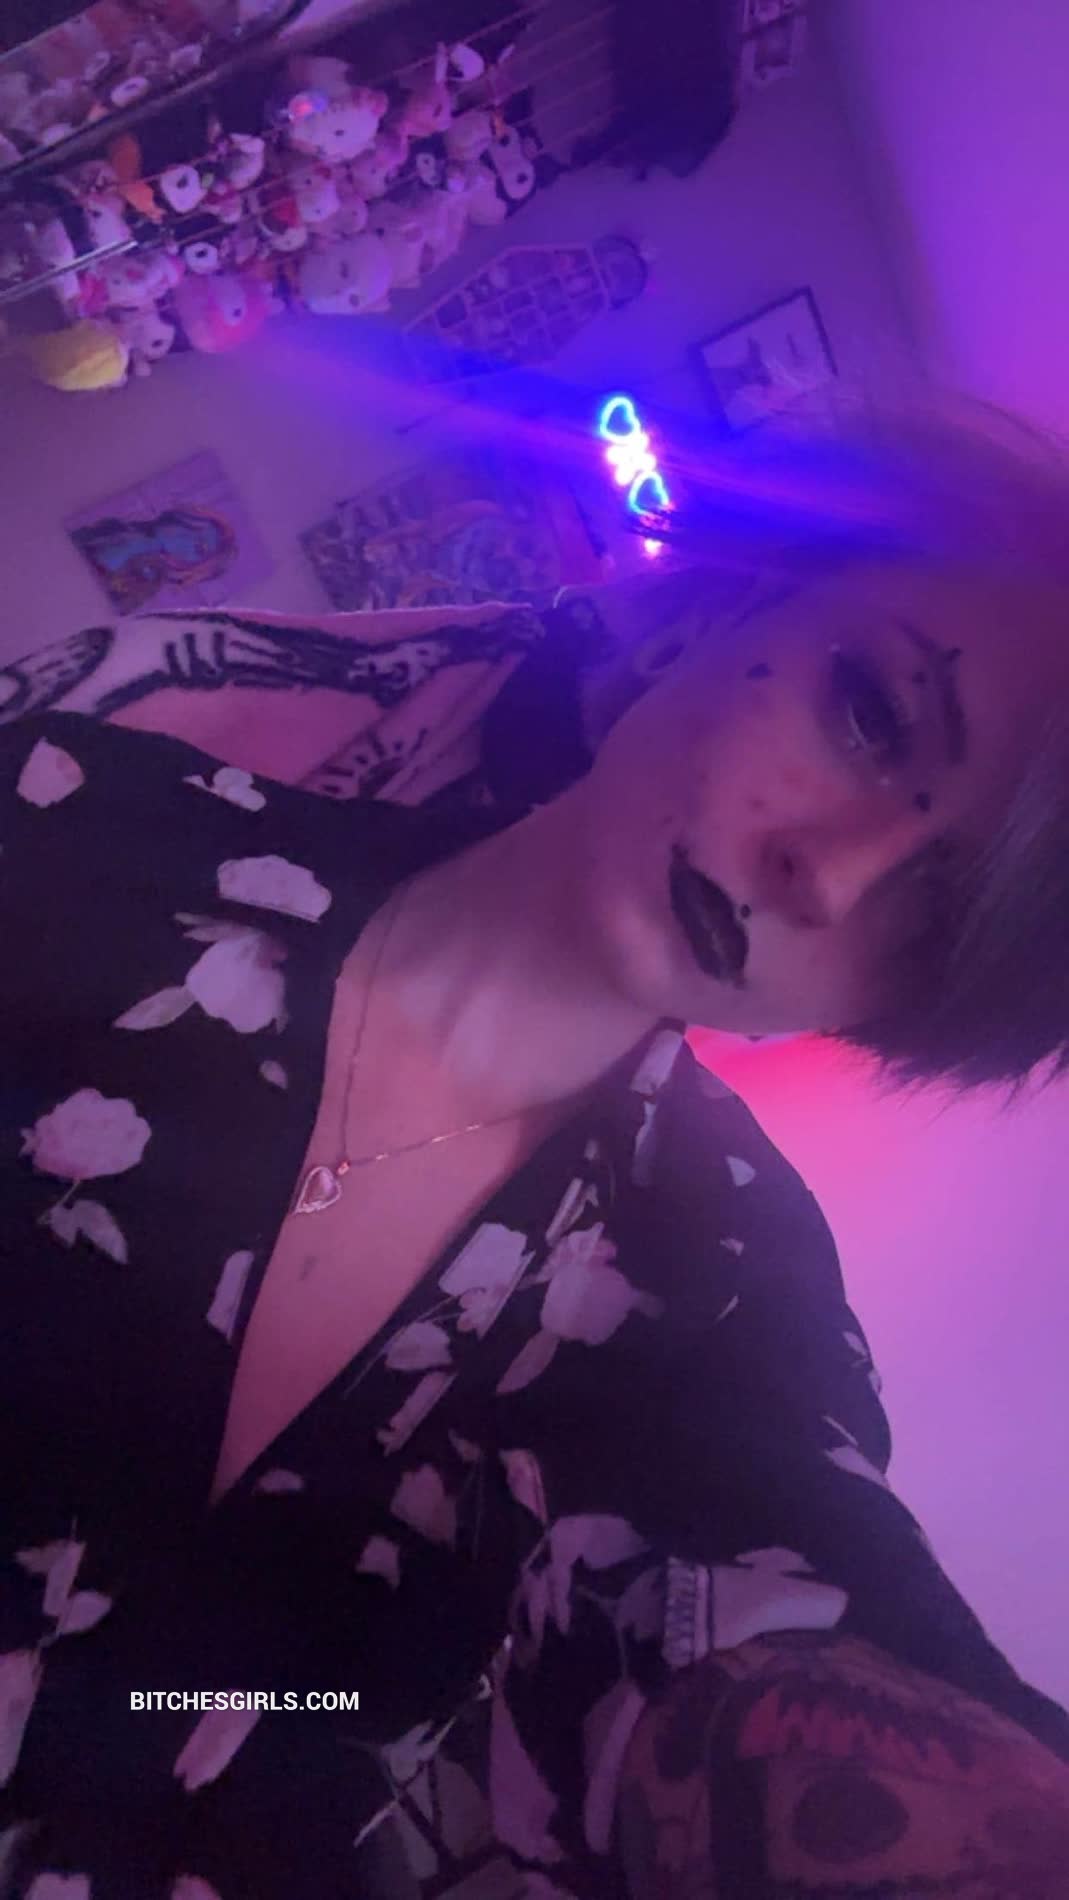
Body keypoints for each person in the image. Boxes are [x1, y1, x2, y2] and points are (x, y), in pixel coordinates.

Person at [1, 400, 1068, 1899]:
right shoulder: (79, 826)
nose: (826, 879)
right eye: (870, 714)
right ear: (731, 602)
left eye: (936, 921)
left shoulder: (711, 1279)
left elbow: (777, 1600)